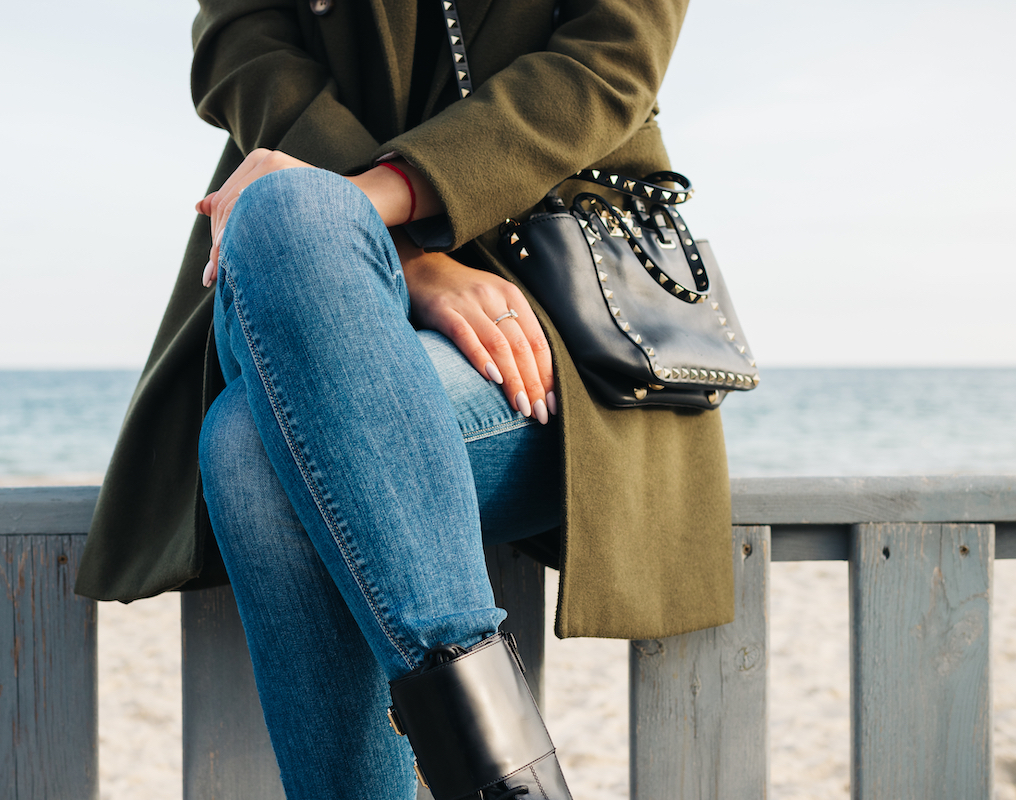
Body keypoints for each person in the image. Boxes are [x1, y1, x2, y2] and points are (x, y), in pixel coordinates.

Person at [76, 0, 735, 798]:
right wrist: (390, 252)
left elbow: (607, 64)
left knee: (253, 449)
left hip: (548, 313)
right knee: (290, 216)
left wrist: (385, 199)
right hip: (312, 284)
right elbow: (242, 48)